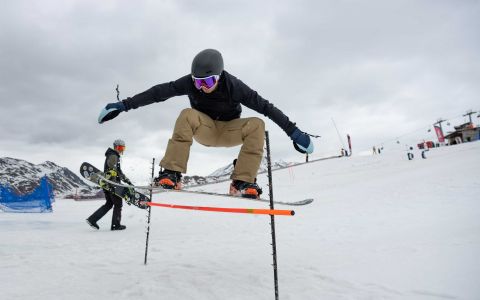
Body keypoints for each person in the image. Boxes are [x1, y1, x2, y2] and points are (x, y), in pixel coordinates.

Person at [98, 49, 314, 199]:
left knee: (257, 123)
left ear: (219, 77)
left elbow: (266, 107)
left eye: (208, 82)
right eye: (198, 82)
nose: (202, 87)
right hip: (205, 129)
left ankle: (242, 182)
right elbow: (159, 92)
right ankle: (171, 174)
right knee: (187, 113)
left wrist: (293, 132)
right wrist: (124, 105)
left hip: (230, 129)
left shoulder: (235, 86)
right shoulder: (190, 84)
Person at [86, 139, 132, 231]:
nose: (121, 149)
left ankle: (92, 219)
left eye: (123, 148)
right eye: (120, 147)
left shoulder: (112, 155)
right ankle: (116, 225)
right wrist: (114, 184)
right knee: (118, 205)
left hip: (107, 184)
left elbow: (118, 172)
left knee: (109, 204)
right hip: (112, 185)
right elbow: (112, 170)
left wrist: (126, 180)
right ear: (115, 147)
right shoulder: (114, 156)